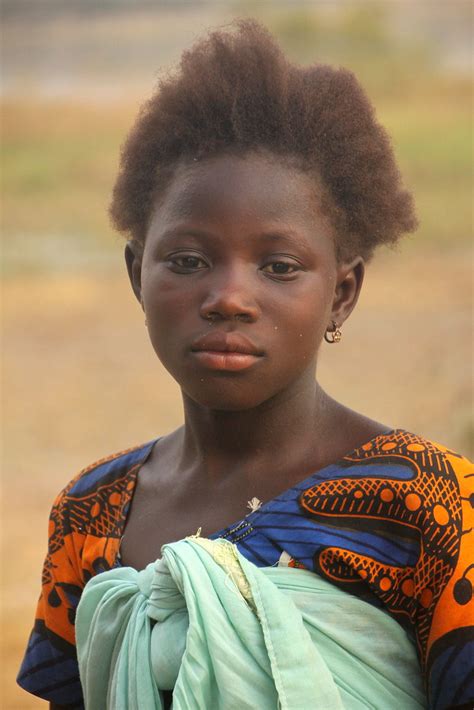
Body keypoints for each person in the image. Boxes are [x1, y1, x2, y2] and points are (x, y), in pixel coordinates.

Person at [17, 19, 472, 710]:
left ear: (341, 292)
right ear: (139, 273)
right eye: (189, 261)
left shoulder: (431, 507)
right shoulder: (91, 513)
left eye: (279, 266)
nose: (229, 296)